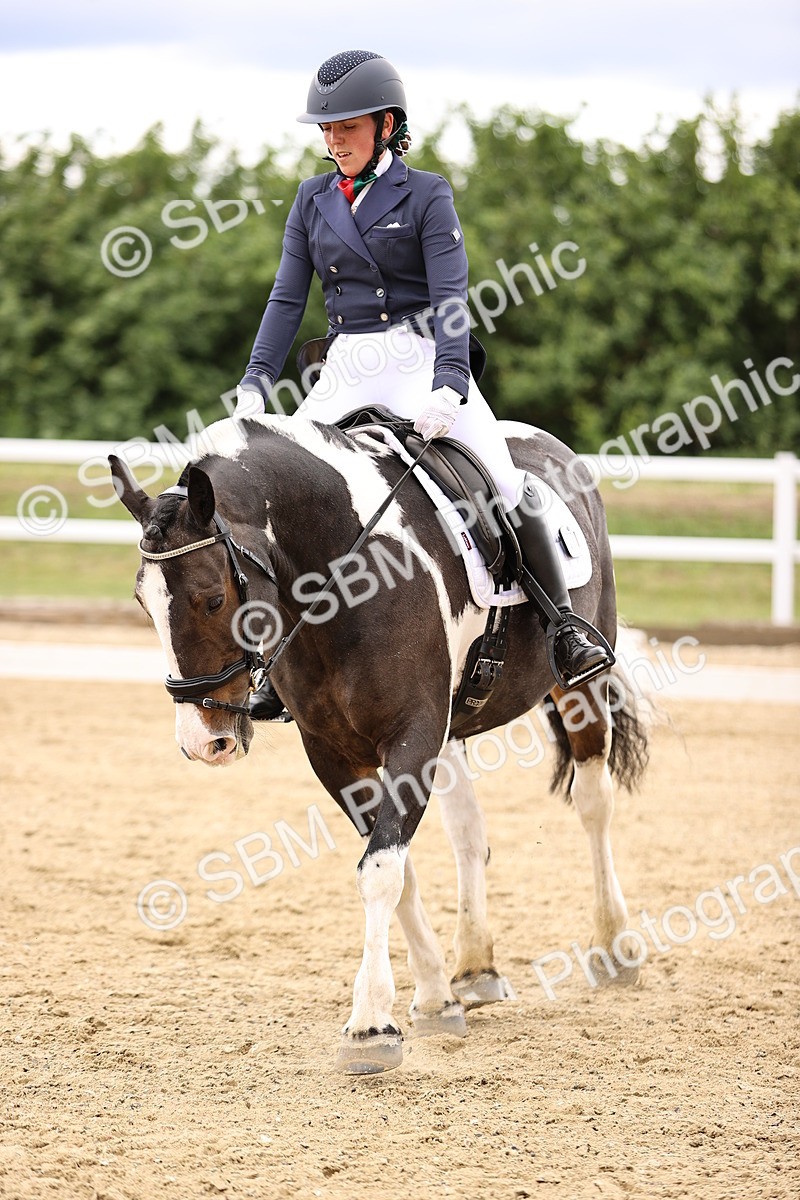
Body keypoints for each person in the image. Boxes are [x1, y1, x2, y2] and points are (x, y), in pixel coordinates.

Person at [236, 50, 614, 719]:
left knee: (503, 481)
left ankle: (564, 629)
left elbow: (451, 300)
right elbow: (286, 299)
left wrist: (449, 381)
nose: (334, 141)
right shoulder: (312, 198)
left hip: (420, 358)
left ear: (386, 125)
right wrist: (256, 379)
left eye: (347, 127)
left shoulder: (426, 194)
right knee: (291, 492)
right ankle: (284, 660)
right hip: (345, 368)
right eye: (326, 129)